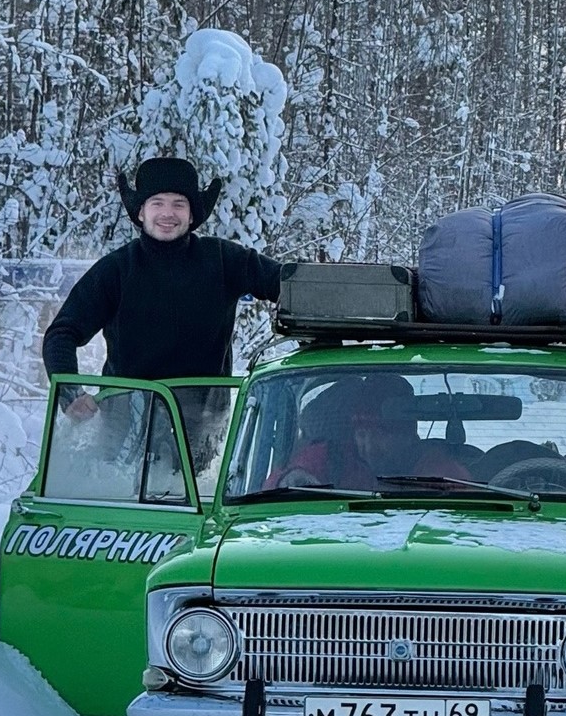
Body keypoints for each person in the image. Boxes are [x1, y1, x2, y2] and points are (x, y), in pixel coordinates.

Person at [43, 156, 282, 422]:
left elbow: (287, 283)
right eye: (157, 203)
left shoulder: (224, 260)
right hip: (125, 437)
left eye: (179, 204)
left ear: (192, 214)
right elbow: (61, 334)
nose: (168, 213)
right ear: (141, 211)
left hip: (204, 434)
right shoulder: (117, 270)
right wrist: (70, 395)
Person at [272, 374, 472, 490]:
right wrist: (288, 479)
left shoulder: (441, 473)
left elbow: (467, 512)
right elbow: (272, 489)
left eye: (381, 434)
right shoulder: (332, 457)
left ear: (408, 435)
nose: (369, 447)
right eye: (362, 434)